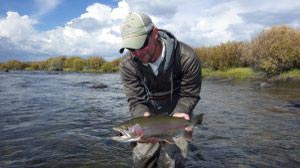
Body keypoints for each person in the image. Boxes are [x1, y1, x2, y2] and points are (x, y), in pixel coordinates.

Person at [119, 12, 201, 168]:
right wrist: (140, 116)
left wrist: (182, 110)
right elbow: (136, 100)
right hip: (148, 119)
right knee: (143, 160)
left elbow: (190, 94)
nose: (137, 53)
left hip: (177, 115)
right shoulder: (127, 65)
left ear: (154, 33)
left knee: (174, 162)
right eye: (131, 48)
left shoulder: (186, 58)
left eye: (141, 44)